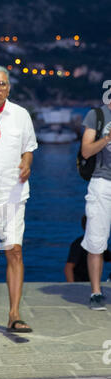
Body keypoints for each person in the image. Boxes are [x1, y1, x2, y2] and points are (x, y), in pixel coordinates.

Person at [0, 65, 37, 333]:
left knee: (14, 250)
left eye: (2, 84)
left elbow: (29, 149)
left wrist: (27, 163)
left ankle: (14, 314)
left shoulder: (21, 115)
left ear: (9, 88)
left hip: (12, 192)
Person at [80, 100, 111, 310]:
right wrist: (107, 138)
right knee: (96, 240)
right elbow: (86, 151)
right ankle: (96, 292)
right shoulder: (97, 116)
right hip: (102, 184)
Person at [65, 215, 111, 282]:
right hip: (79, 284)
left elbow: (109, 258)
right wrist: (72, 286)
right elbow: (68, 268)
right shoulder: (79, 244)